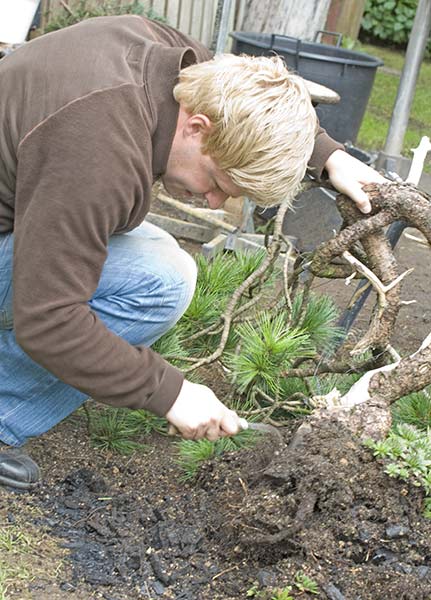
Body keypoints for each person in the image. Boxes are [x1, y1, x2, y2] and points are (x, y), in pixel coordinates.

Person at [0, 15, 386, 490]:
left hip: (20, 208)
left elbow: (246, 87)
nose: (214, 202)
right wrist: (170, 392)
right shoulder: (98, 149)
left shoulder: (173, 61)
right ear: (198, 129)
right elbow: (49, 319)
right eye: (219, 183)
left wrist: (328, 155)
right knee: (158, 283)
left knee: (166, 271)